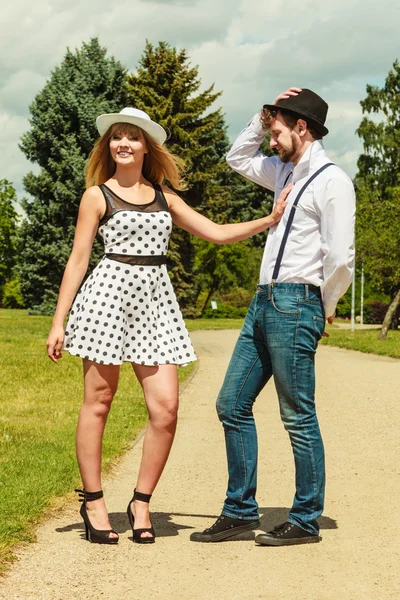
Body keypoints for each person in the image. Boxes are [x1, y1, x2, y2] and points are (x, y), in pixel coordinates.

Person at [46, 107, 291, 545]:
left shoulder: (164, 196)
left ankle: (141, 501)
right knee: (98, 400)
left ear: (146, 147)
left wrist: (269, 221)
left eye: (132, 138)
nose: (123, 144)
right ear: (109, 147)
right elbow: (79, 258)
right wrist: (58, 321)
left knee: (166, 409)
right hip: (107, 296)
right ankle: (94, 502)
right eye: (116, 138)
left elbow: (215, 233)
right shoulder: (96, 196)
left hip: (156, 302)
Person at [190, 88, 355, 546]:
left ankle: (305, 519)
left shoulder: (331, 181)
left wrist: (324, 307)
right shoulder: (283, 173)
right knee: (232, 404)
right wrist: (263, 118)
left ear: (302, 128)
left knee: (297, 415)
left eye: (279, 131)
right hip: (262, 303)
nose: (271, 141)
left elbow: (341, 258)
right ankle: (241, 511)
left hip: (298, 302)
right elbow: (237, 158)